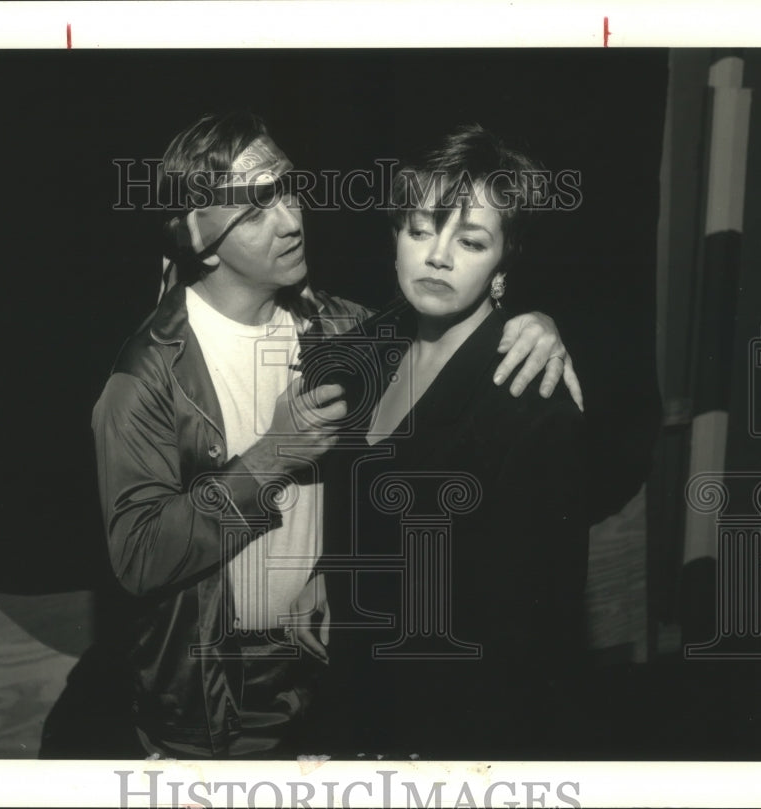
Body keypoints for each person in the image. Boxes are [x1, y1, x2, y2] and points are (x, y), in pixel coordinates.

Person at [39, 112, 581, 760]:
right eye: (256, 207)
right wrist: (273, 455)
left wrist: (537, 321)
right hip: (212, 699)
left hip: (339, 687)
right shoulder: (148, 376)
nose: (293, 220)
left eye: (289, 190)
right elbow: (139, 556)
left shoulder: (340, 331)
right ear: (195, 234)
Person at [293, 124, 591, 759]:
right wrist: (329, 577)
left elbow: (531, 639)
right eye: (421, 228)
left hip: (452, 732)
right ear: (395, 236)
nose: (438, 256)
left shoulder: (533, 407)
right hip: (354, 698)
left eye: (471, 240)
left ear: (504, 263)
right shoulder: (359, 356)